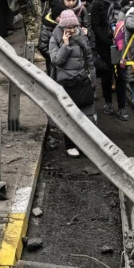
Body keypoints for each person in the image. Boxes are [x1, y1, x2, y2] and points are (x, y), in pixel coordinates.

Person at [49, 10, 95, 157]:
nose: (71, 30)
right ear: (62, 27)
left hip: (82, 79)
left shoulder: (82, 36)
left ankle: (88, 143)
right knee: (69, 115)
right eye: (68, 27)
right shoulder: (55, 38)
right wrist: (66, 45)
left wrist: (92, 78)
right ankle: (70, 144)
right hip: (65, 82)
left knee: (87, 113)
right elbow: (56, 61)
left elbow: (89, 58)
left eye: (74, 27)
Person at [90, 0, 129, 120]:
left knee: (121, 76)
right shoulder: (98, 4)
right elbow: (96, 25)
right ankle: (108, 102)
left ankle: (122, 106)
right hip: (105, 45)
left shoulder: (123, 1)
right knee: (106, 75)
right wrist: (108, 40)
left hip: (120, 45)